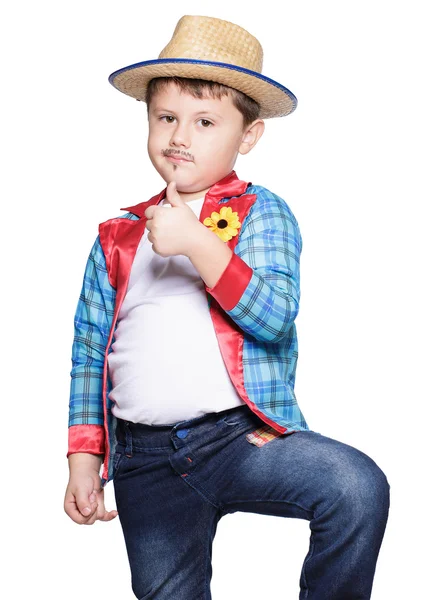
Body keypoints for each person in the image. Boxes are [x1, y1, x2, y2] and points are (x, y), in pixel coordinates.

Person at [64, 14, 390, 600]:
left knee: (355, 487)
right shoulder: (117, 234)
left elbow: (272, 317)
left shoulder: (262, 212)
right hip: (145, 458)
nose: (179, 136)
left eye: (205, 121)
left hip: (238, 439)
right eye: (166, 118)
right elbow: (89, 352)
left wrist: (199, 244)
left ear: (248, 136)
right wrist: (84, 458)